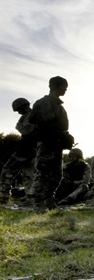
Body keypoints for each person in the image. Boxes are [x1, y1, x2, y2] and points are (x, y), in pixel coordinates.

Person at [28, 76, 73, 211]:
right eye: (64, 87)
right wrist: (51, 130)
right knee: (42, 173)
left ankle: (49, 199)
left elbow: (62, 126)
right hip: (47, 143)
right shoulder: (43, 102)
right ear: (57, 87)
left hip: (57, 144)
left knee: (57, 175)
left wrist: (65, 137)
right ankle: (38, 202)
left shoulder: (59, 106)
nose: (66, 90)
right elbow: (34, 120)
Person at [0, 98, 36, 204]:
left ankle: (3, 197)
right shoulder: (30, 115)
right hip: (32, 149)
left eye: (18, 110)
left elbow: (26, 130)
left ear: (24, 106)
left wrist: (18, 125)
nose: (18, 112)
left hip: (26, 149)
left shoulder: (31, 115)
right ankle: (31, 197)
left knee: (7, 170)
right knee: (29, 174)